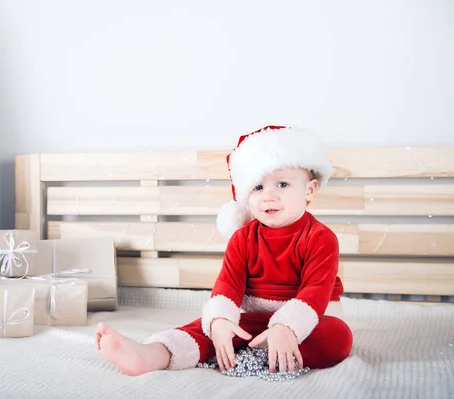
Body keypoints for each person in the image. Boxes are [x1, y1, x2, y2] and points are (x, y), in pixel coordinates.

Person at [95, 125, 353, 376]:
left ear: (309, 190)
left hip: (307, 320)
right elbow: (228, 285)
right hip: (251, 319)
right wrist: (219, 321)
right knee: (207, 329)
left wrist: (287, 327)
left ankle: (266, 351)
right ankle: (152, 354)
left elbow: (315, 292)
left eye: (282, 185)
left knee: (338, 337)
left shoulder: (320, 238)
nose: (268, 196)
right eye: (258, 187)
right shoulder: (243, 238)